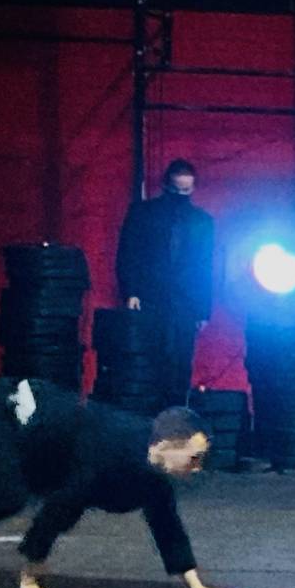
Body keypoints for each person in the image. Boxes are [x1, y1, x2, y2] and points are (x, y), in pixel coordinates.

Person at [0, 377, 248, 588]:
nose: (197, 469)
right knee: (8, 494)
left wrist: (197, 586)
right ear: (166, 445)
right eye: (193, 459)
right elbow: (60, 509)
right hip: (0, 409)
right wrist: (29, 583)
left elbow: (167, 524)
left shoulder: (153, 474)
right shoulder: (109, 452)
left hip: (38, 444)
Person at [116, 158, 215, 407]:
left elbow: (205, 266)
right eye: (177, 190)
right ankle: (152, 418)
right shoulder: (143, 213)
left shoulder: (202, 221)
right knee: (149, 357)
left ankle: (176, 416)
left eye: (186, 190)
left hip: (184, 300)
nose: (181, 195)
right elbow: (128, 253)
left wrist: (203, 309)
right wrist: (131, 291)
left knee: (181, 361)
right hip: (151, 295)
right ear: (165, 186)